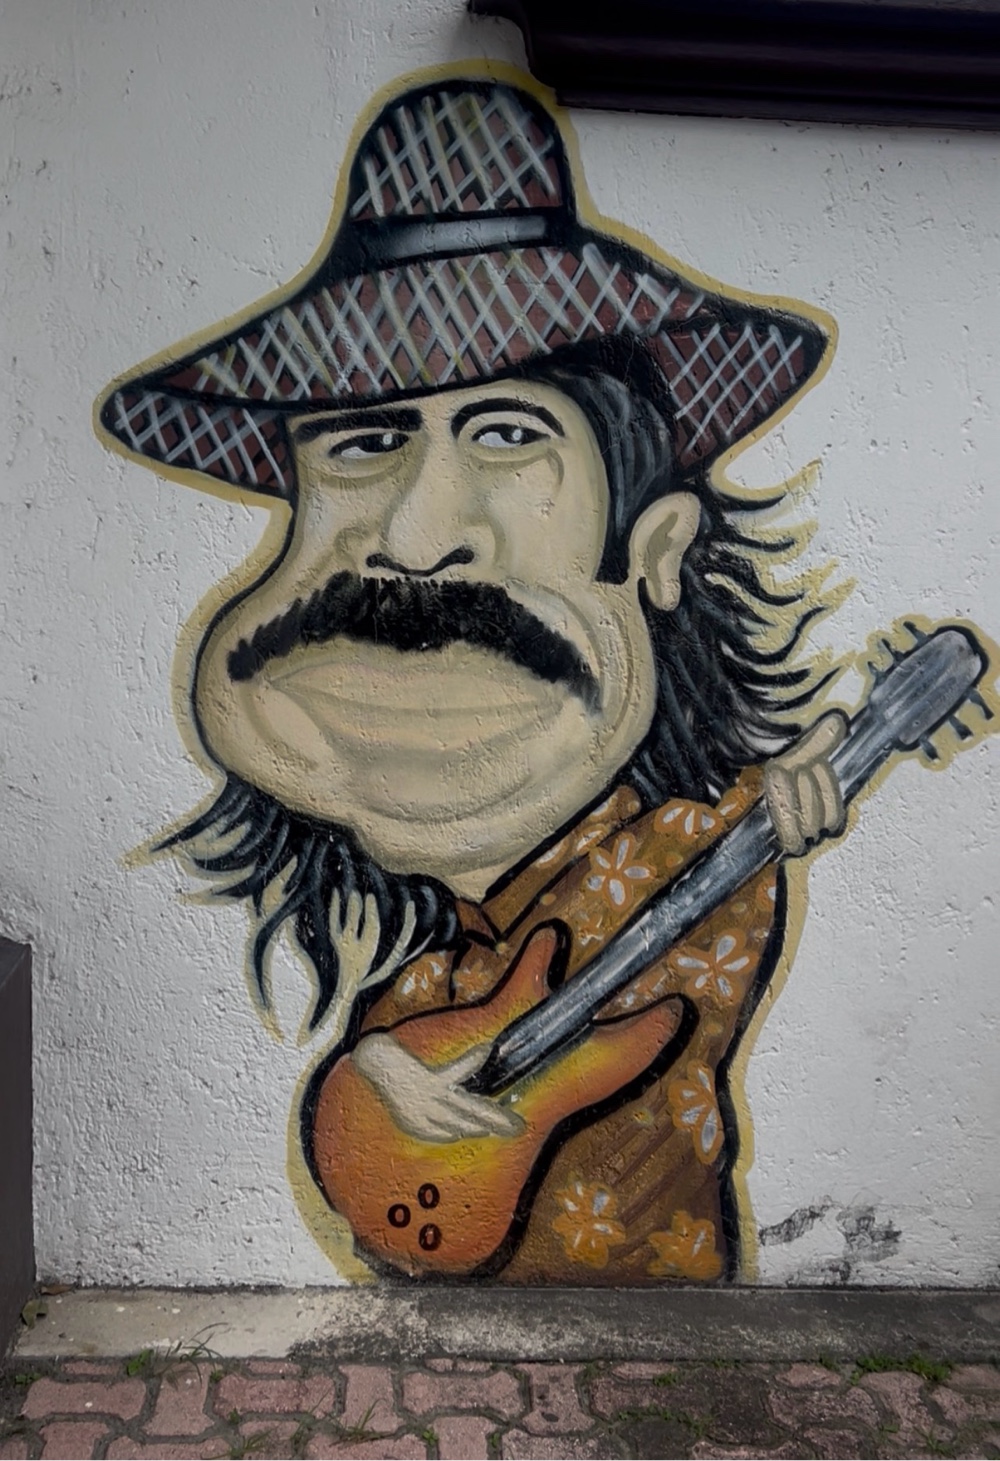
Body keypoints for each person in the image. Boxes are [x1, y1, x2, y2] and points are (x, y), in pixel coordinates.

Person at [97, 70, 844, 1282]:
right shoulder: (454, 964)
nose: (413, 537)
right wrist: (381, 1071)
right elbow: (389, 1047)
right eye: (363, 441)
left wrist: (802, 791)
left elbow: (757, 832)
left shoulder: (682, 861)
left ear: (654, 552)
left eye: (508, 434)